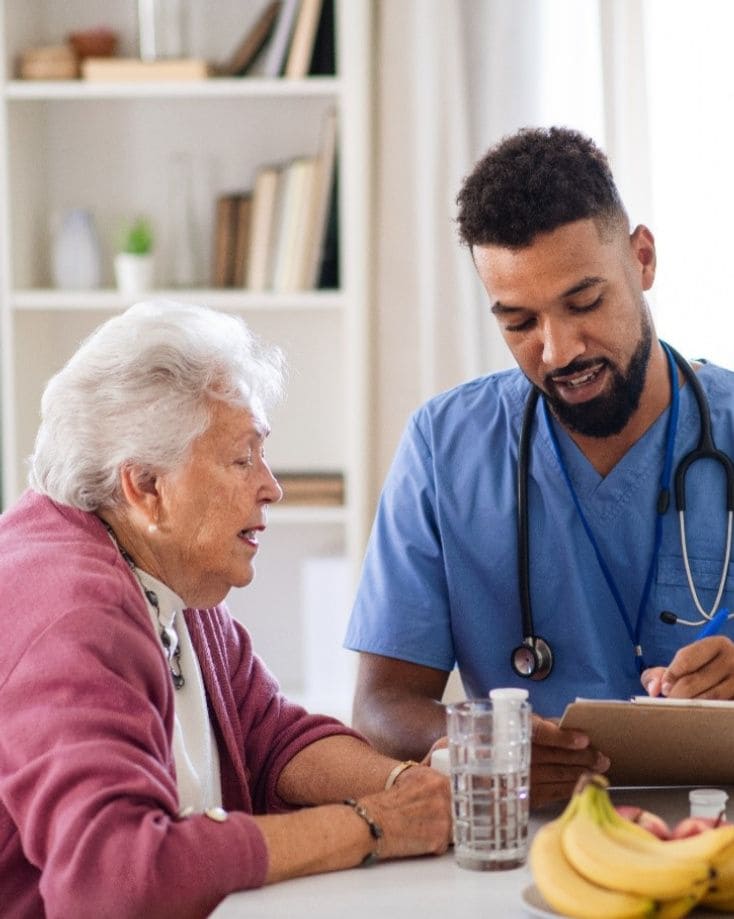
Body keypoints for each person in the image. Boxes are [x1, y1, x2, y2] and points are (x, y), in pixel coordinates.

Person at [0, 300, 451, 919]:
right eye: (243, 459)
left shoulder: (165, 566)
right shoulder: (72, 615)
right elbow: (118, 877)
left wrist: (407, 786)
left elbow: (270, 736)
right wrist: (374, 825)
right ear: (146, 487)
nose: (272, 486)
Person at [344, 126, 734, 807]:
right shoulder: (445, 447)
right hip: (532, 834)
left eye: (585, 303)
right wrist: (486, 740)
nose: (558, 350)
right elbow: (382, 707)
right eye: (519, 321)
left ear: (642, 259)